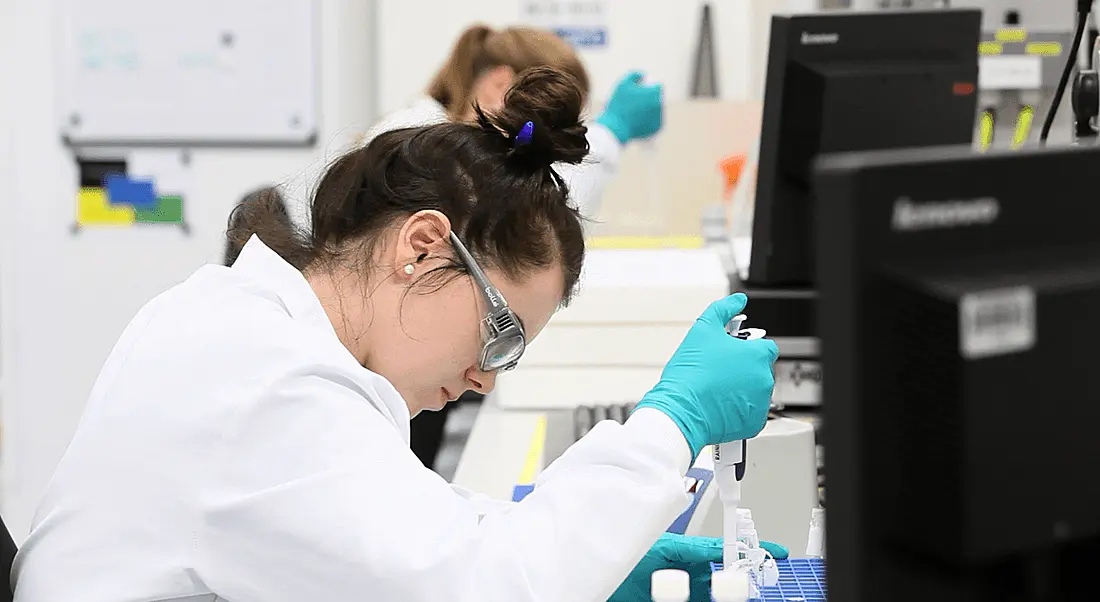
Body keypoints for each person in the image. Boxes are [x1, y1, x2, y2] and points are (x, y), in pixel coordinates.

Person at [12, 68, 778, 602]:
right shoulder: (264, 385)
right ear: (421, 248)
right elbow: (477, 587)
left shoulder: (250, 328)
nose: (485, 377)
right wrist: (674, 419)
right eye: (499, 333)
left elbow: (410, 530)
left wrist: (601, 565)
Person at [361, 24, 664, 470]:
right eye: (534, 121)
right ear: (501, 84)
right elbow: (512, 218)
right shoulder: (416, 140)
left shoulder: (442, 141)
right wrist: (611, 134)